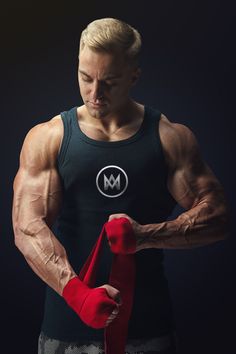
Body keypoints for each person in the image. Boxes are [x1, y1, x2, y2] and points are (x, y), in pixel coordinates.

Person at [12, 18, 229, 354]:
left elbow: (218, 217)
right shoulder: (49, 138)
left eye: (109, 82)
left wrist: (145, 235)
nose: (94, 93)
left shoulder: (169, 137)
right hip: (67, 331)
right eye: (86, 78)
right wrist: (77, 294)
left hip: (149, 330)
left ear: (133, 77)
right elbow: (26, 228)